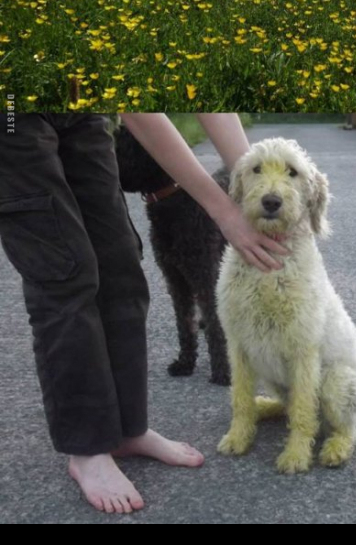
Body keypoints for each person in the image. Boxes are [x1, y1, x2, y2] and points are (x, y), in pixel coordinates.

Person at [0, 112, 287, 514]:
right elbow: (142, 113)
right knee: (65, 273)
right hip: (12, 110)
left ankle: (127, 429)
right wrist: (224, 212)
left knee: (120, 267)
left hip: (81, 106)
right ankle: (87, 450)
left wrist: (259, 187)